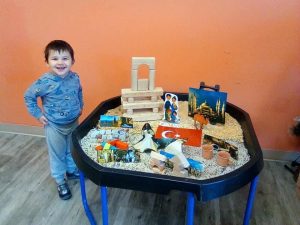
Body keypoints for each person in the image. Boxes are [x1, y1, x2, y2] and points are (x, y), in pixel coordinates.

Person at [24, 40, 83, 200]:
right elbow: (29, 97)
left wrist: (80, 108)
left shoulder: (75, 77)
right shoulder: (44, 82)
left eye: (65, 58)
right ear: (47, 62)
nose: (60, 62)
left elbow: (79, 92)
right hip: (54, 125)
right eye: (55, 58)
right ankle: (60, 180)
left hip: (73, 122)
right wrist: (38, 114)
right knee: (57, 154)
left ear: (72, 61)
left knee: (72, 149)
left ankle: (71, 171)